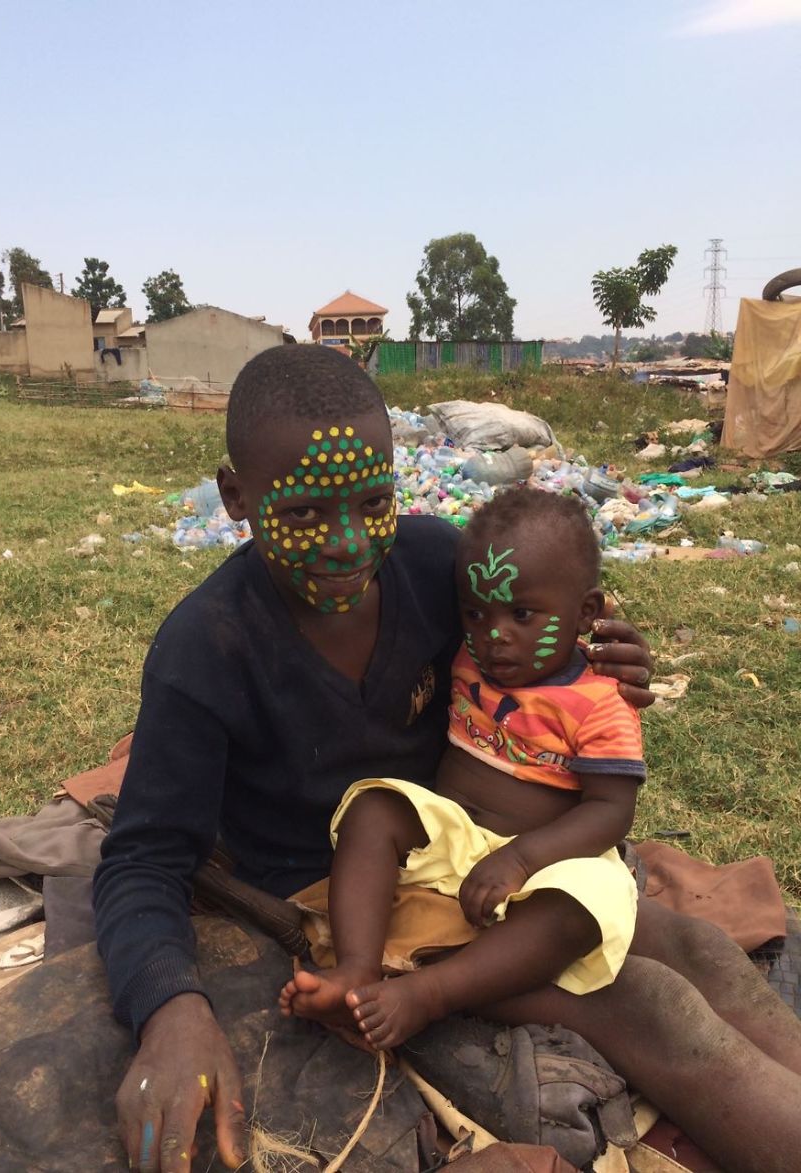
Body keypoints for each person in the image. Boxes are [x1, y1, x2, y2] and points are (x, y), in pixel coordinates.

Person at [93, 345, 801, 1173]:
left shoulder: (435, 564)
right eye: (308, 514)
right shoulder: (205, 648)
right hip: (354, 902)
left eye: (374, 501)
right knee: (650, 1002)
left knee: (696, 947)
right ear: (236, 497)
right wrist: (170, 1009)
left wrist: (599, 659)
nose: (348, 542)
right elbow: (141, 858)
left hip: (462, 854)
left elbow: (538, 621)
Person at [278, 490, 644, 1050]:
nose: (495, 634)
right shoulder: (467, 656)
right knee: (375, 806)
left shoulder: (599, 704)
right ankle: (356, 970)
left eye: (522, 615)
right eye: (476, 612)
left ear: (586, 613)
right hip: (450, 838)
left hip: (543, 861)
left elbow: (612, 810)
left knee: (587, 904)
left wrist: (521, 859)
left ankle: (429, 994)